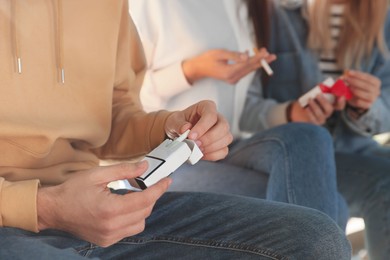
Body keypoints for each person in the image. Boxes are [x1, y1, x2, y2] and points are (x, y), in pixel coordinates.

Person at [0, 0, 351, 259]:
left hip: (94, 204)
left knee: (316, 238)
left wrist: (171, 126)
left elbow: (115, 116)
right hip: (11, 215)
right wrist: (43, 206)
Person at [129, 0, 349, 229]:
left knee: (309, 136)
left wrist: (288, 113)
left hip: (226, 147)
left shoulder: (244, 7)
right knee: (332, 208)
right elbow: (125, 101)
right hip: (171, 158)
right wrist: (192, 70)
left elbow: (242, 110)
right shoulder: (150, 5)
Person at [241, 0, 390, 259]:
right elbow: (240, 109)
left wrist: (368, 107)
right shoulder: (275, 12)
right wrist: (289, 113)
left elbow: (385, 109)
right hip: (294, 152)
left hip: (354, 150)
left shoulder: (382, 19)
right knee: (384, 183)